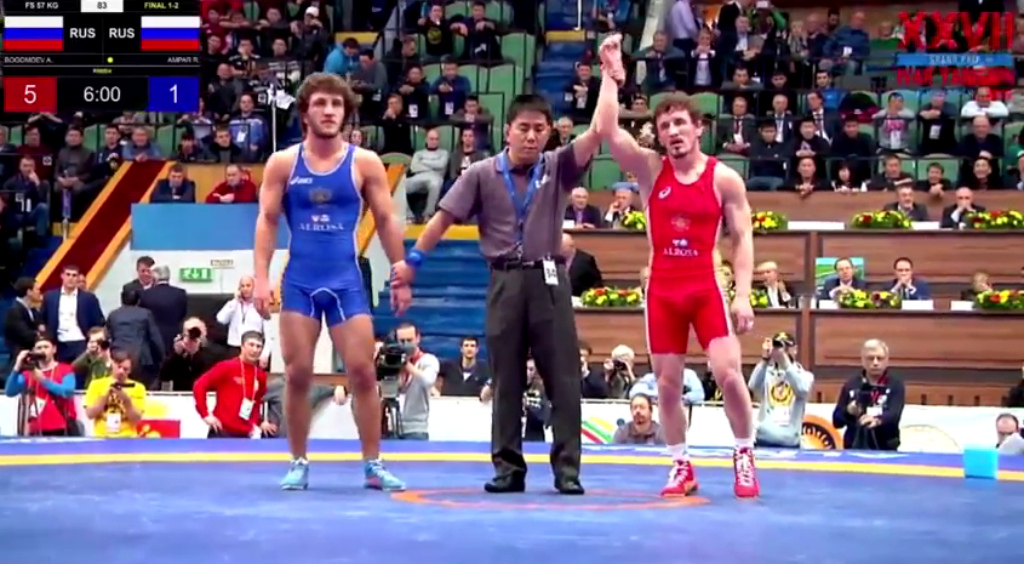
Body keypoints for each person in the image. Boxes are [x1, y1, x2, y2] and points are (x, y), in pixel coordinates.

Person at [392, 90, 603, 495]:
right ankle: (508, 467)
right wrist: (413, 261)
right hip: (505, 279)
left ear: (549, 133)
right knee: (507, 379)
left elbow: (597, 131)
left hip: (548, 278)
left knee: (563, 378)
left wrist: (610, 76)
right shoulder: (481, 173)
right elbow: (443, 218)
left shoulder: (558, 166)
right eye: (523, 128)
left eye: (539, 129)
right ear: (508, 131)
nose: (531, 136)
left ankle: (567, 470)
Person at [594, 34, 760, 498]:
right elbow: (607, 130)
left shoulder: (724, 178)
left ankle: (744, 453)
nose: (672, 131)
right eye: (664, 125)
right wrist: (610, 76)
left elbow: (743, 237)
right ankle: (681, 464)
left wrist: (744, 295)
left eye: (680, 122)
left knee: (728, 374)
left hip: (706, 286)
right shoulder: (651, 170)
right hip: (663, 290)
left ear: (698, 128)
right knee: (667, 385)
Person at [252, 72, 411, 491]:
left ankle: (373, 463)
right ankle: (298, 461)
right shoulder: (284, 163)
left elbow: (387, 219)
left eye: (336, 104)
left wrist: (400, 271)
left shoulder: (365, 162)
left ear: (346, 112)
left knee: (363, 372)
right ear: (305, 112)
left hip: (345, 280)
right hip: (300, 280)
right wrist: (261, 277)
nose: (329, 111)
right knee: (297, 373)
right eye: (320, 103)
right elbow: (267, 219)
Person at [193, 331, 274, 438]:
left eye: (258, 346)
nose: (255, 350)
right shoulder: (226, 367)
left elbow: (256, 402)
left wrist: (260, 422)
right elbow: (199, 385)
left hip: (245, 435)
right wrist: (205, 414)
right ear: (242, 346)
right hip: (222, 432)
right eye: (251, 345)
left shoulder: (260, 375)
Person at [4, 336, 78, 436]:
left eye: (46, 347)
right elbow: (9, 391)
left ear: (54, 349)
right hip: (35, 428)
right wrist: (17, 366)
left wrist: (43, 380)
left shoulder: (66, 369)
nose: (42, 350)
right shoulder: (29, 374)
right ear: (34, 351)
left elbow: (67, 392)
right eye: (39, 348)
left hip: (61, 427)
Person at [83, 349, 146, 438]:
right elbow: (90, 415)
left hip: (127, 437)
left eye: (125, 369)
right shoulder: (96, 384)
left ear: (130, 370)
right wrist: (105, 396)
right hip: (102, 436)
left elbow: (136, 419)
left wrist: (126, 400)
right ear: (112, 364)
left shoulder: (138, 387)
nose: (121, 371)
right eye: (119, 367)